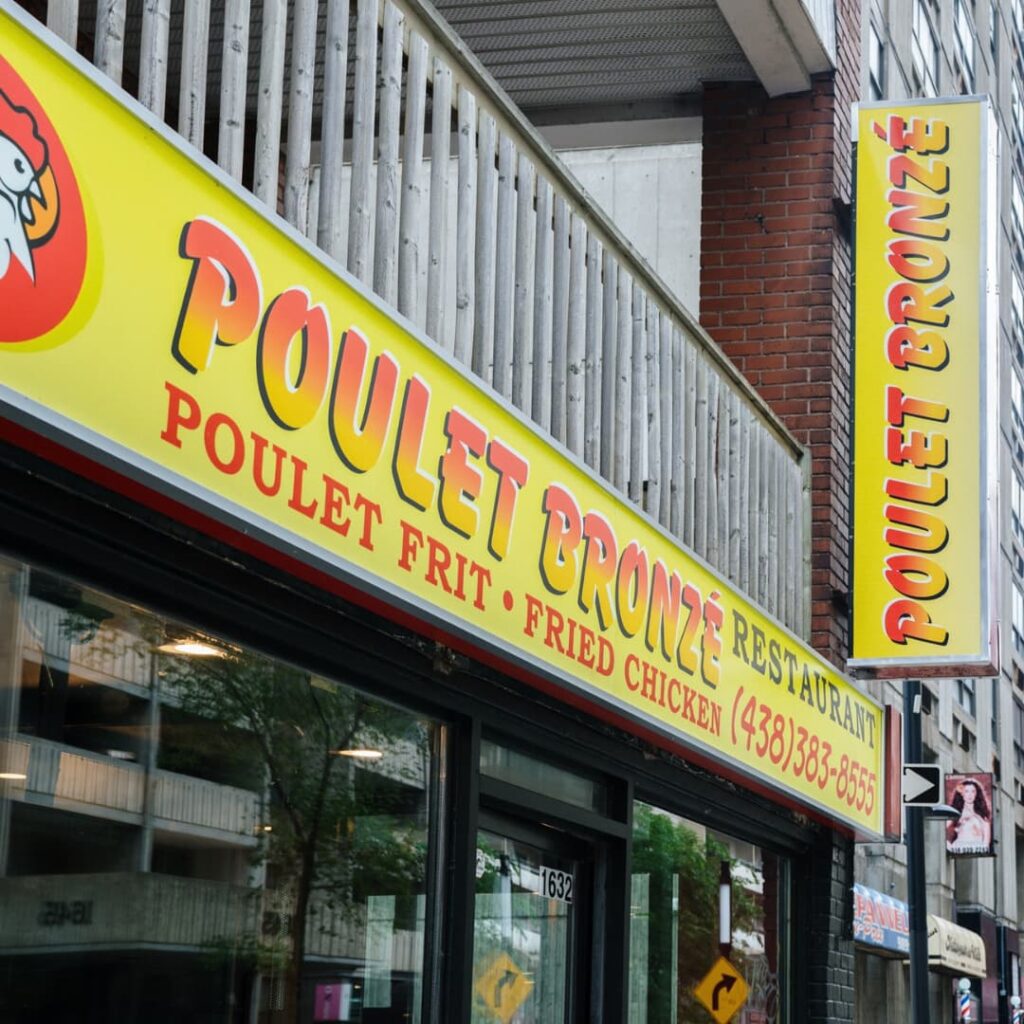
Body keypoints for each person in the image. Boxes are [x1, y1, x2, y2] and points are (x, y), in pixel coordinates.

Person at [946, 780, 991, 854]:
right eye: (966, 791)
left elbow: (986, 841)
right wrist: (948, 846)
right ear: (962, 794)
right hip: (959, 848)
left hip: (977, 849)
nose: (970, 795)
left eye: (973, 791)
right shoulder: (956, 812)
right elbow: (941, 827)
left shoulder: (982, 816)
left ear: (976, 794)